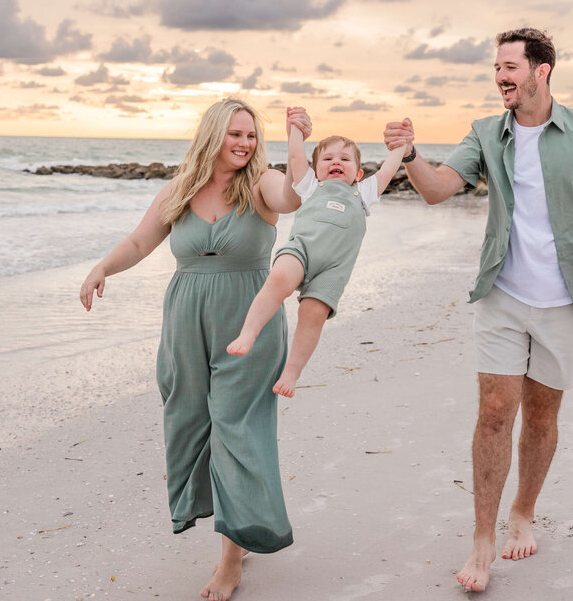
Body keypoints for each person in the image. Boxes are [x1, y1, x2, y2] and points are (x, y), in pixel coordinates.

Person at [384, 27, 573, 593]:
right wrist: (408, 155)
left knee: (542, 416)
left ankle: (523, 510)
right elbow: (437, 189)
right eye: (497, 68)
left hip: (569, 298)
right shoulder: (485, 133)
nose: (501, 77)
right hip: (502, 294)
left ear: (541, 70)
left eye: (510, 67)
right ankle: (481, 537)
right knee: (496, 411)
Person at [79, 99, 310, 601]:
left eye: (251, 135)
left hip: (249, 324)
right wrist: (101, 268)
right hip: (185, 324)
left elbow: (295, 197)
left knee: (235, 429)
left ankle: (230, 559)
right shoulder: (179, 189)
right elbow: (141, 242)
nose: (245, 144)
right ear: (212, 136)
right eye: (235, 134)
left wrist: (298, 141)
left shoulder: (262, 184)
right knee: (190, 421)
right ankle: (233, 523)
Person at [226, 110, 407, 396]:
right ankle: (249, 332)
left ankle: (292, 372)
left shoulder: (364, 193)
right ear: (316, 168)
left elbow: (386, 171)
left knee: (314, 315)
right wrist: (296, 132)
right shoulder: (310, 186)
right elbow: (297, 158)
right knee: (279, 278)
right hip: (301, 250)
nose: (336, 162)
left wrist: (400, 149)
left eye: (345, 160)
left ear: (358, 174)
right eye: (328, 158)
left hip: (333, 271)